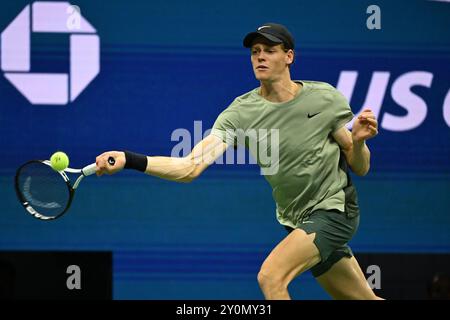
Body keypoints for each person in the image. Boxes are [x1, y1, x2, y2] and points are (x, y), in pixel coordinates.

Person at [96, 23, 382, 300]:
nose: (260, 56)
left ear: (289, 56)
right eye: (255, 50)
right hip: (295, 219)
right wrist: (129, 159)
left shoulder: (324, 98)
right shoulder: (240, 113)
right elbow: (189, 167)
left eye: (270, 50)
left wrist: (358, 142)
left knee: (271, 277)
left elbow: (361, 166)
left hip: (335, 210)